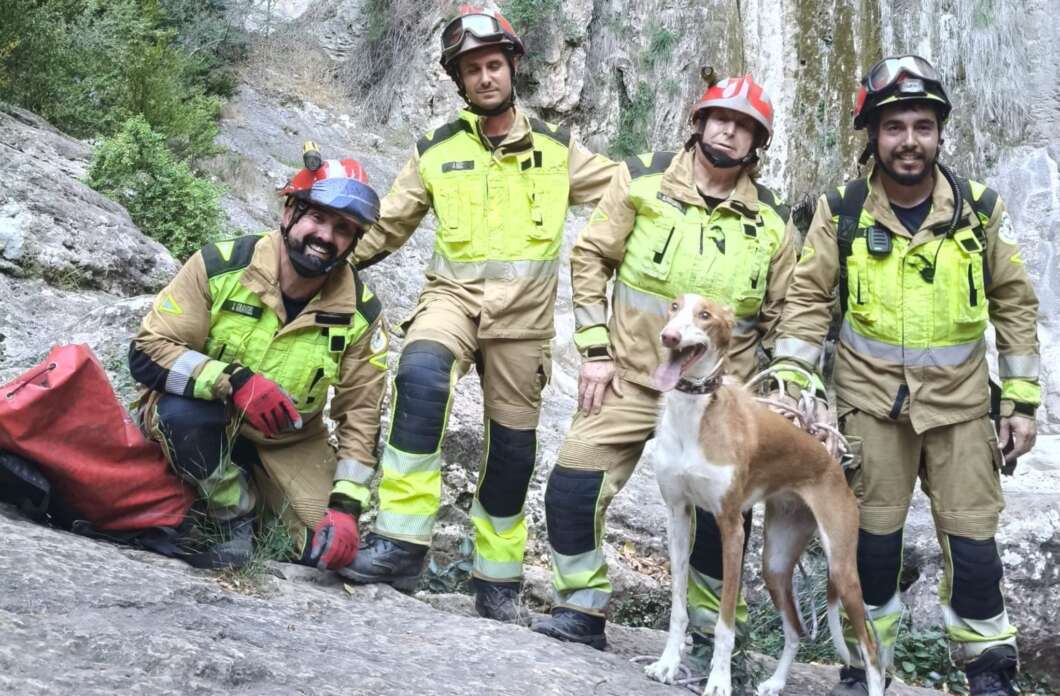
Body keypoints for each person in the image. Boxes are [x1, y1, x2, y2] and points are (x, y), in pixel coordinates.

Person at [771, 55, 1039, 696]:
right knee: (872, 551)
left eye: (923, 125)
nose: (910, 140)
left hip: (963, 413)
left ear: (940, 132)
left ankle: (990, 670)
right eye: (895, 127)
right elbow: (808, 300)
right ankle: (867, 668)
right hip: (871, 412)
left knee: (974, 552)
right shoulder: (844, 212)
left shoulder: (978, 212)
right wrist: (791, 381)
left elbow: (1015, 302)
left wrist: (1022, 401)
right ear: (873, 135)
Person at [341, 6, 616, 624]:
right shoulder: (435, 152)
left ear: (512, 67)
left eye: (494, 64)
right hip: (452, 301)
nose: (486, 77)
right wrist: (321, 257)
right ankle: (401, 543)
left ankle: (497, 581)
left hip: (525, 325)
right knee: (420, 374)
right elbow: (386, 226)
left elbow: (627, 195)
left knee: (512, 452)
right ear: (458, 80)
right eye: (473, 69)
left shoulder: (558, 149)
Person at [531, 75, 797, 650]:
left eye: (745, 125)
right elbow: (590, 258)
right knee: (573, 484)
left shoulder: (774, 222)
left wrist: (786, 387)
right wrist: (595, 351)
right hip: (631, 375)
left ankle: (711, 631)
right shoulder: (641, 180)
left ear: (758, 144)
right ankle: (580, 607)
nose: (730, 129)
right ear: (697, 123)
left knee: (721, 515)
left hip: (717, 398)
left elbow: (789, 314)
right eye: (720, 117)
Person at [128, 148, 389, 571]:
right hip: (204, 417)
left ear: (354, 242)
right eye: (317, 217)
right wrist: (235, 380)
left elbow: (361, 415)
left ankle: (254, 499)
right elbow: (146, 353)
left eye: (343, 228)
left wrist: (346, 508)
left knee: (320, 552)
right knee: (182, 414)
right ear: (289, 212)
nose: (326, 236)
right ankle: (232, 517)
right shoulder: (220, 267)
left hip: (289, 442)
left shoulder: (361, 314)